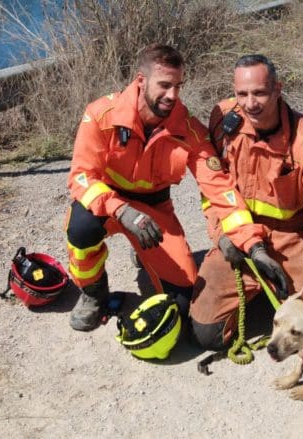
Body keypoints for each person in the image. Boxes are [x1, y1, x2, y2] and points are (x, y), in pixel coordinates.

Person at [65, 44, 281, 332]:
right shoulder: (101, 114)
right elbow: (81, 177)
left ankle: (143, 251)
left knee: (182, 303)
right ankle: (94, 292)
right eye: (165, 85)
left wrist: (251, 243)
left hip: (155, 212)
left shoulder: (188, 130)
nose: (173, 95)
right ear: (141, 81)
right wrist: (122, 211)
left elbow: (218, 187)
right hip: (109, 204)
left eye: (178, 86)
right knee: (81, 227)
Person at [189, 55, 303, 350]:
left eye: (260, 93)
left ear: (278, 89)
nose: (250, 103)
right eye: (242, 94)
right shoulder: (223, 120)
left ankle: (273, 291)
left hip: (288, 241)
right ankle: (261, 293)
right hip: (235, 236)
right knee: (207, 336)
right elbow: (213, 191)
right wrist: (222, 236)